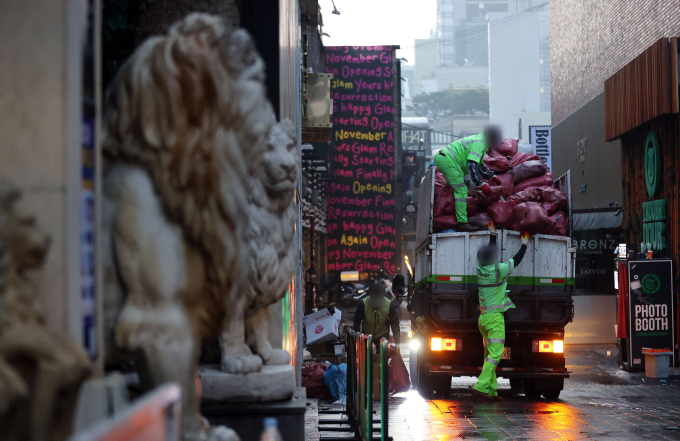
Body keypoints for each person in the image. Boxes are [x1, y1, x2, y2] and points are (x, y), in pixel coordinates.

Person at [471, 222, 530, 402]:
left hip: (483, 319)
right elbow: (517, 259)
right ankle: (480, 386)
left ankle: (491, 390)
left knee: (489, 355)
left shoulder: (481, 270)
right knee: (495, 355)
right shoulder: (499, 270)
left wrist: (493, 235)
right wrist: (524, 244)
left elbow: (490, 252)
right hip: (495, 319)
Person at [433, 127, 501, 231]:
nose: (495, 145)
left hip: (444, 158)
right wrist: (482, 184)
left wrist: (491, 176)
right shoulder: (479, 144)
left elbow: (479, 164)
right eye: (495, 142)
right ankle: (462, 223)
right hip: (446, 160)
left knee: (451, 188)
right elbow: (472, 166)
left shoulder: (480, 142)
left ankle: (448, 207)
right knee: (461, 190)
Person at [353, 284, 401, 349]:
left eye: (378, 298)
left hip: (383, 336)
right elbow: (356, 320)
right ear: (370, 297)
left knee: (382, 358)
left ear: (382, 297)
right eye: (374, 298)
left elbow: (394, 323)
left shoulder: (388, 305)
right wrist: (358, 335)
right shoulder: (364, 304)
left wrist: (397, 342)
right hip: (367, 336)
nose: (376, 301)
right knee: (367, 358)